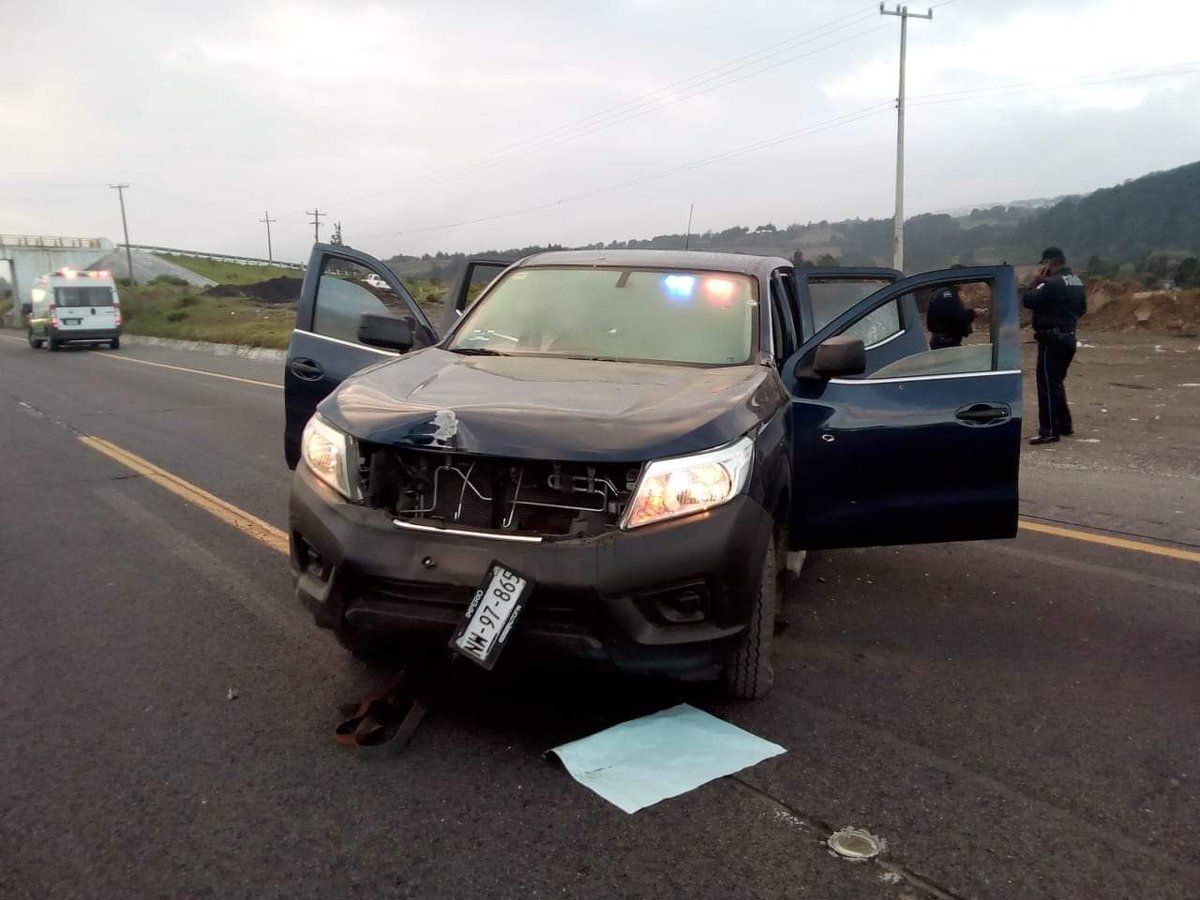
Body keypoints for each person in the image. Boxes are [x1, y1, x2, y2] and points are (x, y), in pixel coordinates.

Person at [1023, 246, 1087, 445]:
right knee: (1056, 382)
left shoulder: (1050, 283)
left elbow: (1028, 299)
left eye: (1043, 264)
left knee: (1047, 385)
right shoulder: (1076, 282)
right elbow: (1082, 309)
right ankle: (1064, 424)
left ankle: (1049, 430)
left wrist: (1035, 281)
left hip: (1052, 340)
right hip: (1068, 337)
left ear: (1048, 263)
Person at [926, 284, 976, 349]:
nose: (963, 284)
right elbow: (958, 317)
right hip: (946, 342)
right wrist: (973, 313)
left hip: (945, 340)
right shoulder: (946, 294)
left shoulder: (940, 293)